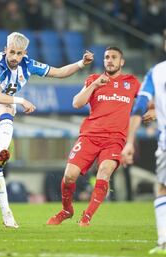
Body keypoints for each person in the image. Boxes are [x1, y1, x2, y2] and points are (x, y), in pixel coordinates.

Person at [0, 31, 94, 228]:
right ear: (5, 50)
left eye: (19, 54)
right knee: (9, 105)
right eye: (11, 52)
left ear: (24, 53)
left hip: (2, 108)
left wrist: (81, 63)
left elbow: (60, 72)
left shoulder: (28, 64)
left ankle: (7, 214)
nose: (14, 57)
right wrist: (21, 100)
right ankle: (4, 153)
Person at [46, 46, 141, 227]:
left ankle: (86, 217)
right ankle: (67, 210)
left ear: (122, 62)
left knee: (104, 172)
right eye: (106, 57)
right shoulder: (93, 79)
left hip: (115, 139)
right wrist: (95, 84)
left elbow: (148, 102)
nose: (110, 60)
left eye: (114, 57)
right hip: (90, 136)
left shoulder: (132, 82)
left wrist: (151, 112)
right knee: (69, 176)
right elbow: (76, 103)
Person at [121, 55, 166, 254]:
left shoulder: (156, 72)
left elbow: (139, 106)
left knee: (163, 189)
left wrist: (129, 142)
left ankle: (164, 242)